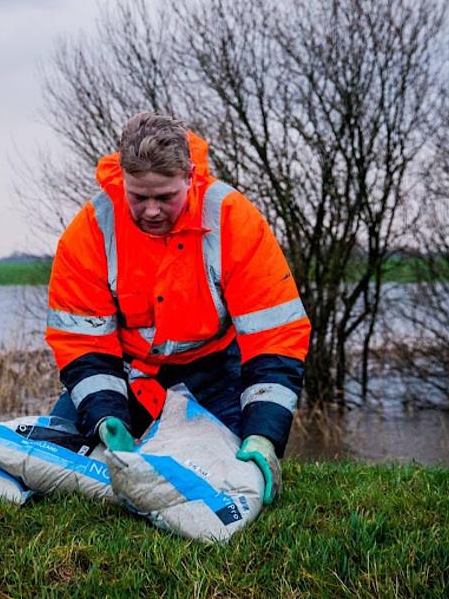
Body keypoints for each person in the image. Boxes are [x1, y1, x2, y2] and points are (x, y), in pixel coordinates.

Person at [45, 112, 311, 504]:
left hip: (216, 373)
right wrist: (105, 416)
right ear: (122, 179)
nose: (151, 211)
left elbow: (275, 335)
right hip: (125, 373)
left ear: (190, 177)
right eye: (139, 197)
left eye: (165, 197)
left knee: (240, 470)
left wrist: (264, 434)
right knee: (58, 452)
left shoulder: (233, 219)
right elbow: (82, 343)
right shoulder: (90, 229)